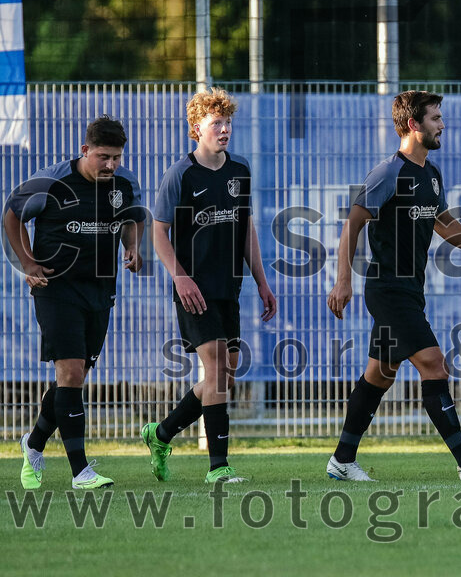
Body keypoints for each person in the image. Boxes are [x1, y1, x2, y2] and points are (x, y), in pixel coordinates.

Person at [325, 90, 461, 482]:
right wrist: (344, 280)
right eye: (435, 118)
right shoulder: (388, 173)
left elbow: (443, 223)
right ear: (413, 124)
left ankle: (342, 460)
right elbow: (352, 223)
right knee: (433, 363)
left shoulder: (431, 173)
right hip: (387, 289)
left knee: (380, 374)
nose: (442, 124)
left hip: (411, 289)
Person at [142, 88, 277, 485]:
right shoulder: (180, 174)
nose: (224, 129)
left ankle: (161, 434)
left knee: (226, 375)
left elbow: (246, 227)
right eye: (215, 123)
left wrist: (262, 281)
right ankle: (219, 467)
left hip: (228, 288)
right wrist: (179, 276)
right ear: (195, 129)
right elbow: (159, 233)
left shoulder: (240, 170)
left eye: (227, 122)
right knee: (217, 368)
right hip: (193, 289)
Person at [5, 115, 145, 489]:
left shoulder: (125, 182)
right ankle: (81, 471)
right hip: (56, 289)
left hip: (100, 289)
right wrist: (28, 262)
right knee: (69, 372)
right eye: (103, 157)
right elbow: (12, 215)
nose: (110, 165)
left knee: (74, 378)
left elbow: (133, 217)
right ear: (85, 150)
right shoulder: (51, 182)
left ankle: (33, 445)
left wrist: (133, 246)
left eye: (116, 157)